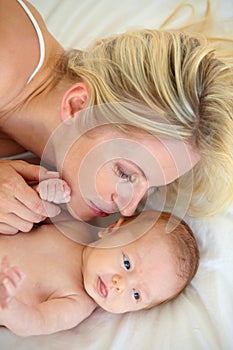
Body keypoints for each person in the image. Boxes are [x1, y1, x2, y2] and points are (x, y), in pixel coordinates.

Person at [0, 0, 232, 234]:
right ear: (77, 106)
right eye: (124, 173)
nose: (128, 208)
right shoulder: (6, 49)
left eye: (152, 190)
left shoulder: (46, 176)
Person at [0, 209, 199, 336]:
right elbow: (37, 205)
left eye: (136, 294)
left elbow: (35, 322)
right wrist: (49, 189)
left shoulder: (77, 303)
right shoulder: (73, 227)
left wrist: (8, 305)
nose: (120, 285)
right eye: (127, 263)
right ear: (112, 229)